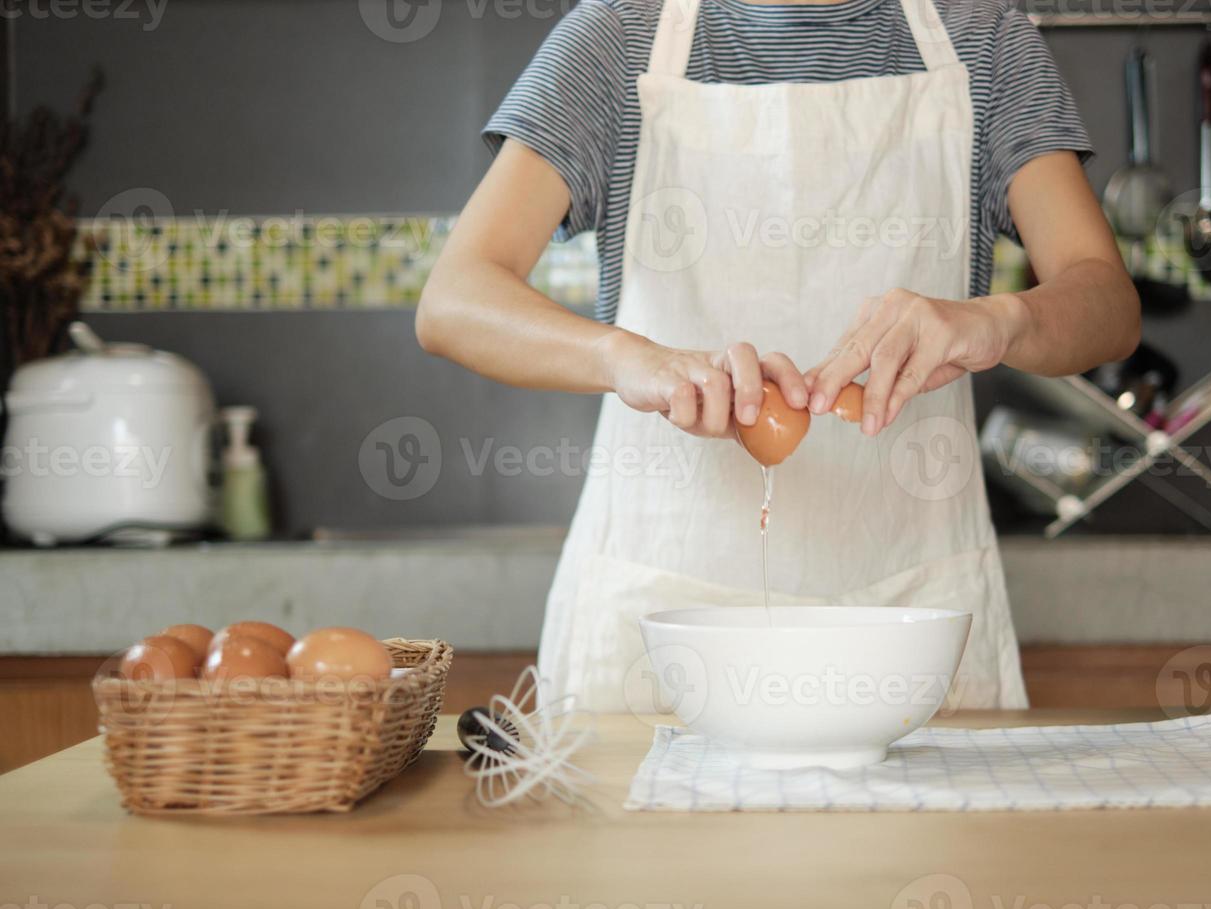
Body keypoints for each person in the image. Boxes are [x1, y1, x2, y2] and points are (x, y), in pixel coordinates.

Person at [417, 0, 1140, 711]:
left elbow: (1109, 305)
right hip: (666, 618)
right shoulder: (615, 39)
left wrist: (1000, 320)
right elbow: (455, 299)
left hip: (909, 617)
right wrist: (626, 357)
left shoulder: (983, 43)